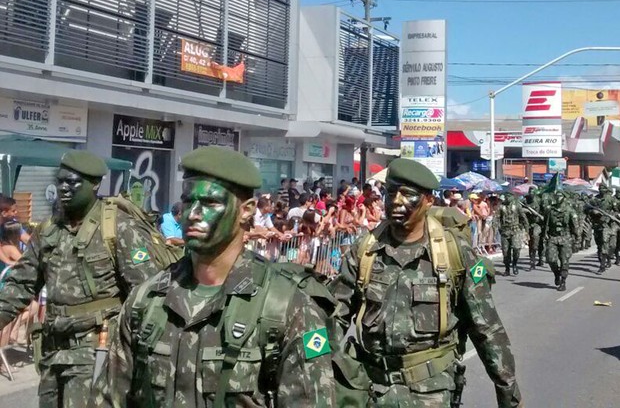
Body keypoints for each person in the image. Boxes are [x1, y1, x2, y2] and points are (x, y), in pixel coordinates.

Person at [89, 146, 337, 407]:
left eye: (210, 203)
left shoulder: (285, 307)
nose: (193, 213)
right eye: (188, 201)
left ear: (247, 210)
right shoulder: (147, 300)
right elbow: (108, 398)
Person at [329, 158, 522, 407]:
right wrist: (310, 371)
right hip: (369, 387)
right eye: (390, 193)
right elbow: (332, 316)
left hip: (430, 391)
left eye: (408, 194)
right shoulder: (365, 250)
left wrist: (508, 394)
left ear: (428, 200)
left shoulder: (455, 252)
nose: (396, 201)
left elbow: (485, 328)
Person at [0, 150, 160, 408]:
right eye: (60, 181)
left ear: (94, 184)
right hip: (54, 349)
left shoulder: (118, 227)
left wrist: (139, 358)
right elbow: (21, 283)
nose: (63, 188)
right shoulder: (49, 229)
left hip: (97, 350)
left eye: (72, 182)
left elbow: (146, 296)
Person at [541, 191, 579, 291]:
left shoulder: (570, 210)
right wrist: (544, 234)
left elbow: (575, 226)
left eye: (560, 196)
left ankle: (563, 281)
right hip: (553, 237)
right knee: (550, 259)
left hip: (566, 238)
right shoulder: (550, 209)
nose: (557, 198)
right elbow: (546, 223)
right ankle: (556, 273)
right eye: (556, 196)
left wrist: (577, 239)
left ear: (564, 198)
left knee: (564, 261)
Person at [498, 193, 528, 276]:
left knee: (516, 248)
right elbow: (497, 218)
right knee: (505, 252)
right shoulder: (501, 206)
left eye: (509, 197)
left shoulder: (517, 205)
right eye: (506, 197)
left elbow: (523, 217)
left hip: (515, 230)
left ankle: (514, 264)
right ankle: (507, 269)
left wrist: (526, 230)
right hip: (505, 231)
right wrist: (496, 228)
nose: (507, 198)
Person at [523, 187, 544, 270]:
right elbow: (520, 208)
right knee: (530, 242)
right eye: (530, 192)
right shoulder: (525, 200)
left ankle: (540, 258)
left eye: (532, 192)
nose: (531, 194)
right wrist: (526, 210)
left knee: (537, 240)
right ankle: (532, 261)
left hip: (538, 224)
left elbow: (544, 211)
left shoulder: (539, 200)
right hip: (528, 224)